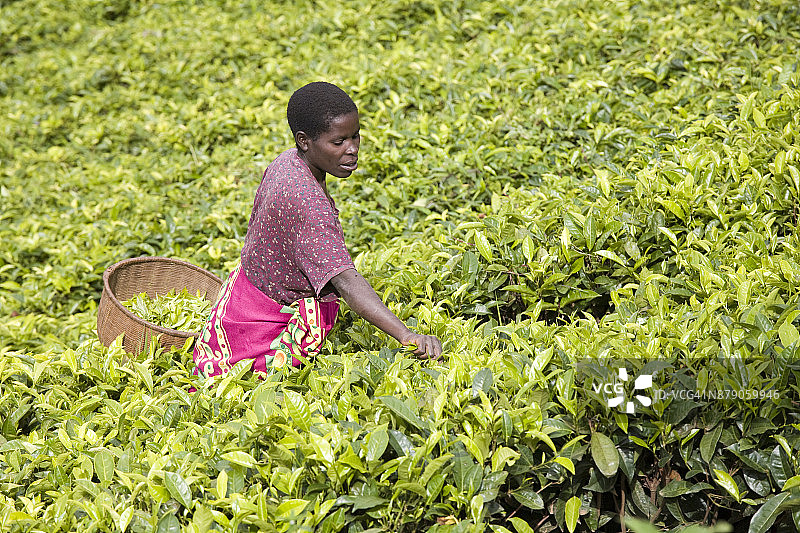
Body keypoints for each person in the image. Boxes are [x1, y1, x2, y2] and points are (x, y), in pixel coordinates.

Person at [193, 81, 442, 378]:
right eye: (338, 143)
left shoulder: (287, 162)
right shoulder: (306, 202)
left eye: (355, 136)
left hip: (247, 293)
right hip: (263, 324)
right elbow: (347, 283)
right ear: (304, 140)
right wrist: (406, 335)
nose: (352, 150)